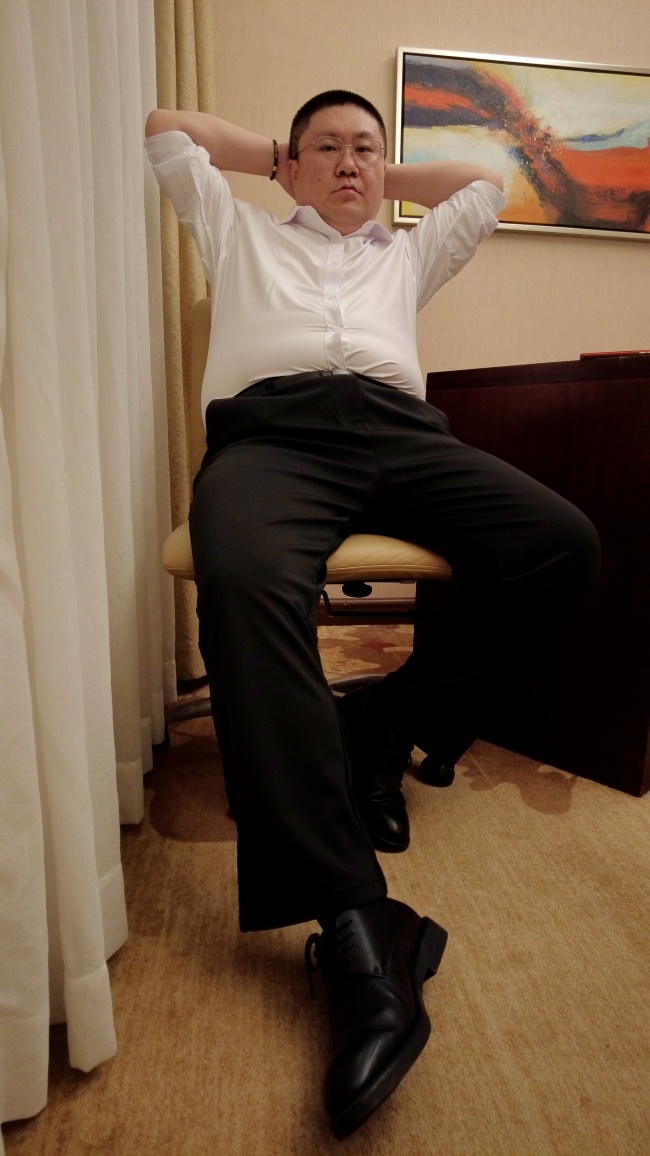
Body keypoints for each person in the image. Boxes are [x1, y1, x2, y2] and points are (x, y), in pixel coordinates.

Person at [145, 91, 600, 1139]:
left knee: (561, 544)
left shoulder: (407, 253)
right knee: (244, 579)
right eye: (327, 149)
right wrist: (280, 155)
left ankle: (389, 720)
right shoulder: (238, 230)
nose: (348, 163)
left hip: (402, 438)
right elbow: (166, 127)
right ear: (290, 165)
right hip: (271, 440)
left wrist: (374, 173)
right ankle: (358, 919)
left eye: (365, 148)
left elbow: (486, 179)